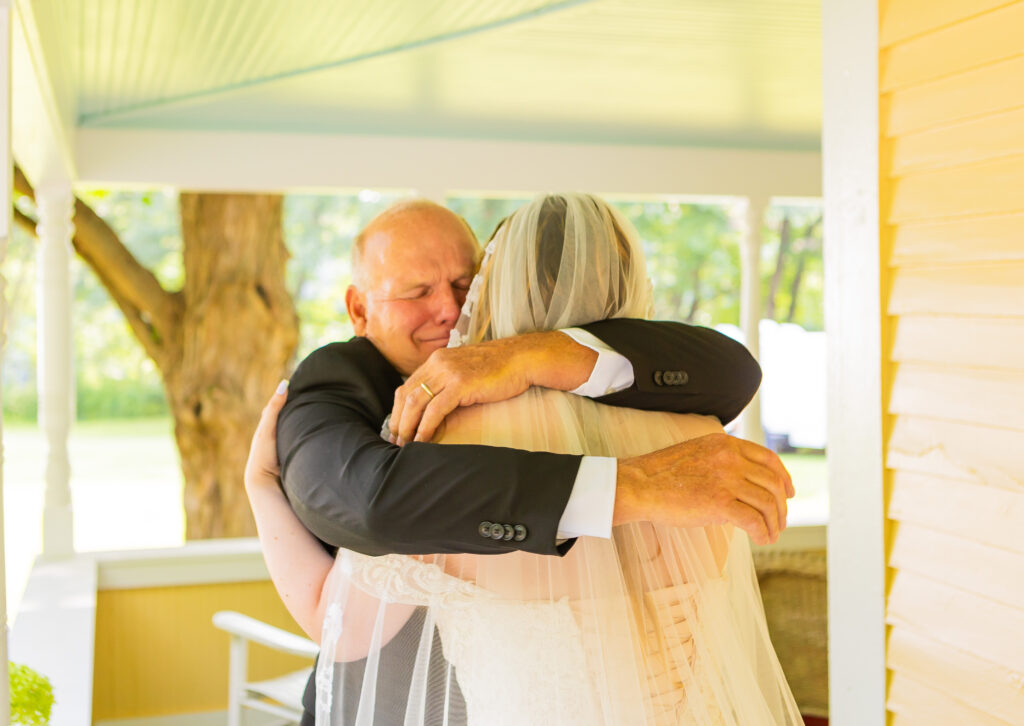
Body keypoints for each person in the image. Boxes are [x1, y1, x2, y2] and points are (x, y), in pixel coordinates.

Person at [248, 195, 798, 724]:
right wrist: (630, 486)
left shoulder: (464, 432)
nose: (448, 308)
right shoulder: (699, 450)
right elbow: (373, 501)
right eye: (416, 291)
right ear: (358, 309)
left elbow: (336, 621)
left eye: (465, 283)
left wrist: (530, 355)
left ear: (494, 285)